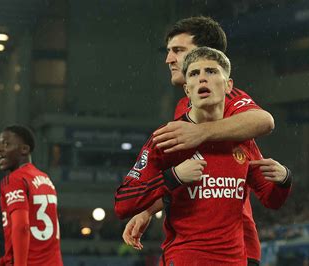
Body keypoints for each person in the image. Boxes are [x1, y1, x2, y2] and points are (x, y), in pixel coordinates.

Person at [122, 16, 289, 266]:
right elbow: (195, 175)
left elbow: (264, 121)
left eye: (178, 50)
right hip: (193, 247)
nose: (169, 59)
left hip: (237, 246)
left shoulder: (228, 98)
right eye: (168, 51)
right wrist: (148, 209)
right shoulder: (184, 107)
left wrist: (200, 132)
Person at [0, 125, 63, 266]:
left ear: (24, 149)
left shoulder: (15, 179)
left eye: (6, 144)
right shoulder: (46, 180)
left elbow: (22, 227)